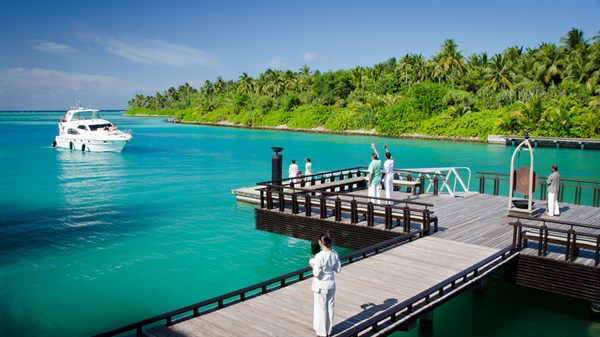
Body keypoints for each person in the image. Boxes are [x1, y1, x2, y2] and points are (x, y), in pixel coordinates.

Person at [310, 233, 341, 337]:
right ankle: (328, 330)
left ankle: (321, 332)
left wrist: (313, 266)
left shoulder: (319, 256)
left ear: (320, 242)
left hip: (321, 284)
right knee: (330, 307)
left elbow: (316, 273)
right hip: (331, 282)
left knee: (320, 308)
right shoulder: (335, 253)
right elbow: (338, 269)